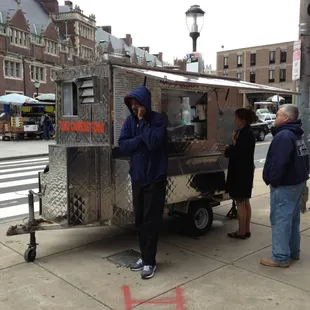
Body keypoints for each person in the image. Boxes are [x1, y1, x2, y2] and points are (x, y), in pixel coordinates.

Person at [118, 86, 168, 280]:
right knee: (140, 220)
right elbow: (123, 145)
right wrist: (140, 139)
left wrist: (142, 123)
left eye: (137, 103)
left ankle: (150, 261)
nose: (134, 106)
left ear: (145, 104)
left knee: (151, 220)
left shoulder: (158, 120)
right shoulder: (129, 121)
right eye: (132, 103)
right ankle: (144, 255)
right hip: (138, 177)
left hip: (155, 177)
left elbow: (154, 142)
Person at [261, 104, 309, 268]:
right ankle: (293, 252)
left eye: (277, 115)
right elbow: (305, 158)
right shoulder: (297, 134)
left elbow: (279, 163)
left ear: (286, 118)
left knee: (281, 221)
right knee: (292, 220)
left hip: (286, 186)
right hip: (297, 183)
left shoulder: (284, 136)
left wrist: (273, 180)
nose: (275, 117)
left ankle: (280, 257)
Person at [223, 108, 256, 239]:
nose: (234, 120)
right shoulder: (246, 132)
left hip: (240, 172)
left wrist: (229, 148)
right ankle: (246, 230)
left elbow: (237, 152)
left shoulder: (245, 134)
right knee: (245, 201)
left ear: (242, 119)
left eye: (236, 118)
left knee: (240, 202)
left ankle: (241, 232)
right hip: (246, 171)